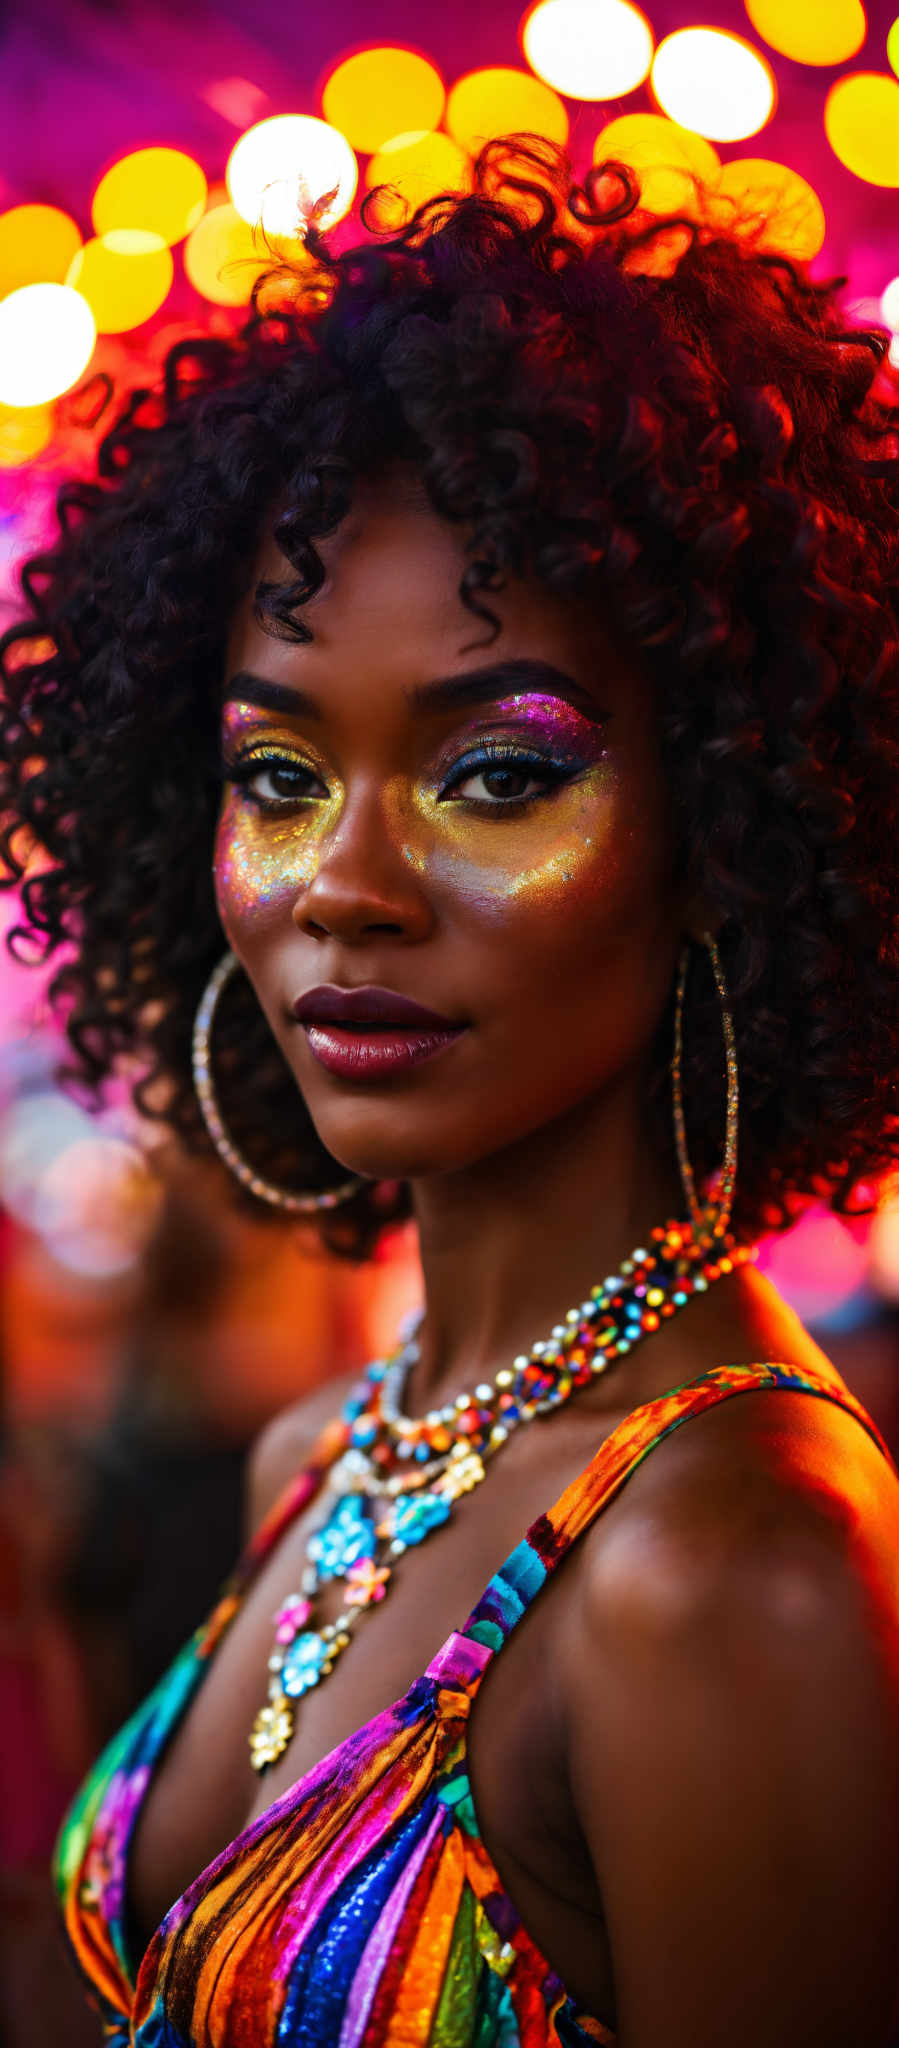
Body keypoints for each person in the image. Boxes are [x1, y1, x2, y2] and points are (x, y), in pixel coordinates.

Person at [1, 135, 898, 2047]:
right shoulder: (317, 1457)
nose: (346, 883)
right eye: (278, 775)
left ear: (735, 822)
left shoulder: (733, 1567)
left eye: (496, 773)